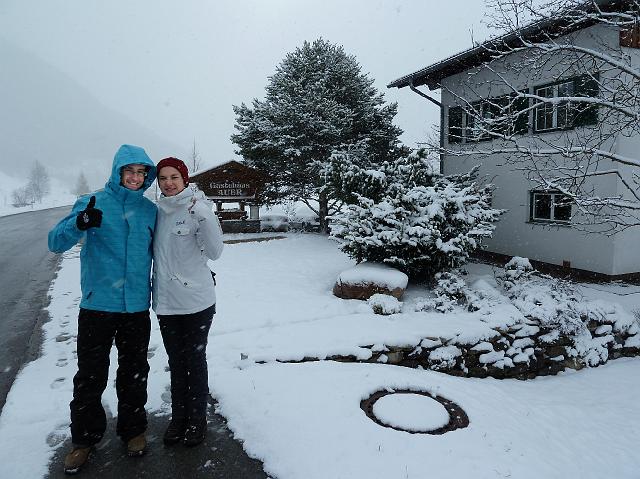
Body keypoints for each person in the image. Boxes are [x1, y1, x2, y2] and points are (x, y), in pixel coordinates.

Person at [48, 145, 157, 474]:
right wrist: (79, 223)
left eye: (141, 172)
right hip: (98, 305)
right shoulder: (92, 202)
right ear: (118, 172)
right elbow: (56, 242)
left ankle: (133, 431)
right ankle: (84, 439)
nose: (135, 178)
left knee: (134, 373)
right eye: (130, 171)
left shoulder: (150, 211)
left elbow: (166, 251)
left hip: (136, 306)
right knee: (90, 377)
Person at [152, 157, 224, 447]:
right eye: (163, 178)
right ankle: (178, 417)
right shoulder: (158, 212)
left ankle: (197, 419)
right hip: (167, 304)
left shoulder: (198, 209)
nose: (168, 183)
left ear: (185, 180)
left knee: (194, 359)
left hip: (196, 303)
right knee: (176, 362)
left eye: (174, 177)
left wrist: (204, 215)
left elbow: (216, 252)